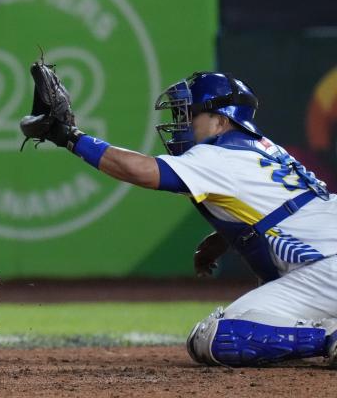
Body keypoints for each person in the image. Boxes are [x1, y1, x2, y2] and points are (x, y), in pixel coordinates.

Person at [21, 69, 337, 367]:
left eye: (190, 113)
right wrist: (222, 240)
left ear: (220, 119)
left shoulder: (216, 156)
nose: (181, 122)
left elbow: (140, 171)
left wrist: (69, 136)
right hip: (327, 262)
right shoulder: (263, 149)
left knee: (216, 338)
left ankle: (329, 337)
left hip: (326, 270)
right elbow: (288, 210)